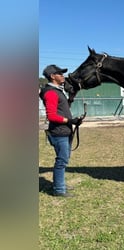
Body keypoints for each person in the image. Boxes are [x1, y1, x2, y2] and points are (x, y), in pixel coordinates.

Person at [39, 65, 83, 197]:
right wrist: (71, 121)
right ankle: (59, 189)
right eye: (60, 73)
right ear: (53, 76)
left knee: (64, 159)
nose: (63, 75)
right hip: (59, 132)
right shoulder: (51, 92)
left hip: (64, 131)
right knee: (61, 161)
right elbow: (52, 116)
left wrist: (74, 119)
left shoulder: (57, 91)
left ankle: (60, 184)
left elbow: (60, 110)